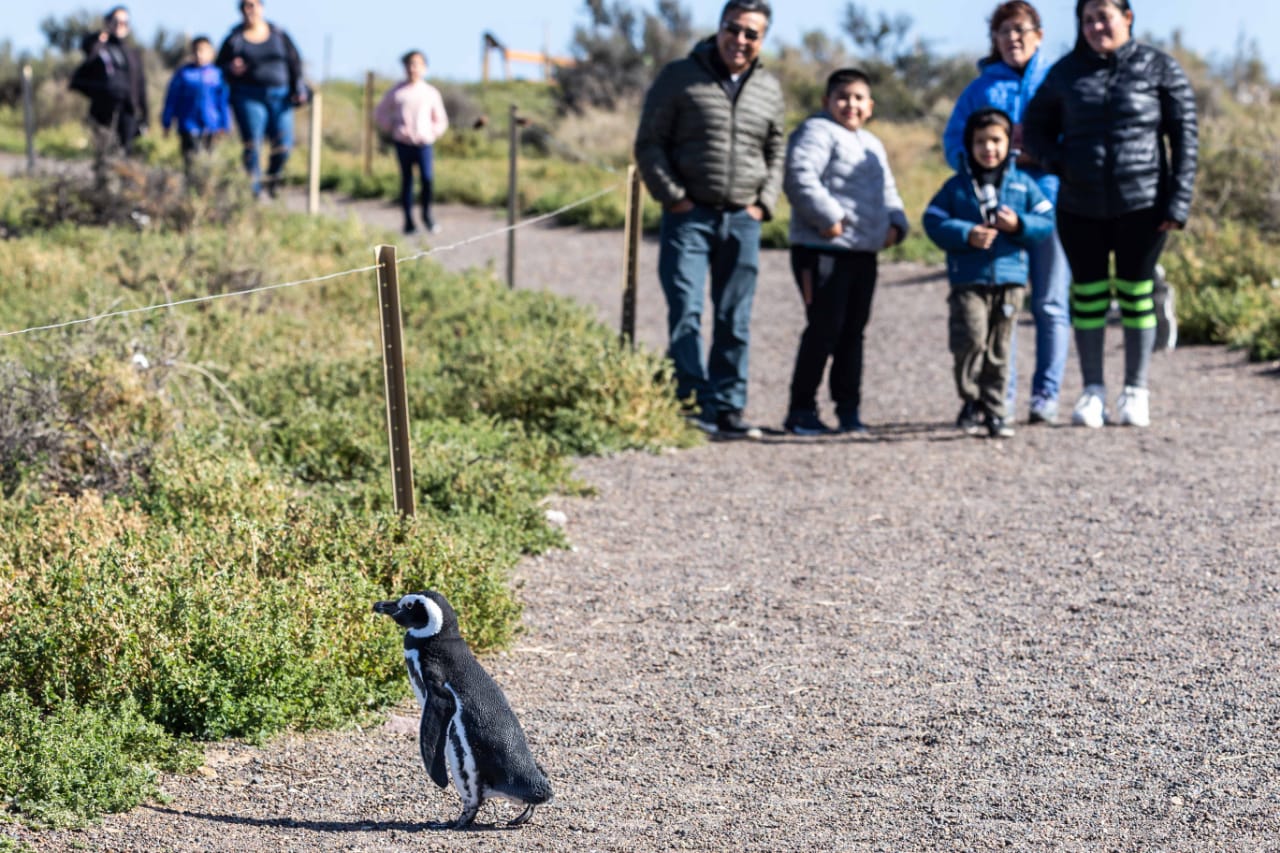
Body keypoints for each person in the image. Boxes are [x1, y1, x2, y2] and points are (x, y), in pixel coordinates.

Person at [1023, 0, 1197, 428]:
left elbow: (1185, 139)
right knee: (1088, 296)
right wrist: (1057, 161)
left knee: (1137, 293)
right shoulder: (1064, 74)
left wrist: (1178, 201)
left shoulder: (1160, 68)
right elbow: (1035, 128)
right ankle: (1092, 392)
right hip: (1079, 205)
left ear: (1127, 18)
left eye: (1105, 16)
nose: (1097, 26)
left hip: (1144, 203)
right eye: (1088, 19)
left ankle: (1135, 391)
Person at [633, 0, 785, 440]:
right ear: (719, 29)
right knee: (686, 311)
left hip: (743, 219)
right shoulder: (679, 77)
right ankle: (690, 403)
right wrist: (676, 199)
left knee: (734, 318)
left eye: (750, 34)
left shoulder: (769, 89)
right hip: (689, 219)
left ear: (762, 39)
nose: (740, 40)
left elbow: (776, 148)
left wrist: (763, 203)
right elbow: (649, 145)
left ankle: (728, 408)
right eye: (732, 29)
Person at [942, 1, 1070, 425]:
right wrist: (986, 167)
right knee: (1000, 304)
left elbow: (1076, 140)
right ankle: (1001, 398)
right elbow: (953, 144)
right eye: (1003, 32)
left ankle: (1046, 394)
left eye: (1021, 29)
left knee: (1049, 301)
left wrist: (1041, 155)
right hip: (994, 208)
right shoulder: (980, 89)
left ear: (1039, 33)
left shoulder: (1060, 80)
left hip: (1047, 202)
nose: (1013, 38)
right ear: (993, 40)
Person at [781, 68, 908, 436]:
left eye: (858, 98)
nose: (850, 104)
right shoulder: (816, 132)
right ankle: (801, 409)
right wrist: (829, 216)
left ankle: (848, 410)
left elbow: (888, 190)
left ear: (870, 106)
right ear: (826, 102)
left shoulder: (872, 144)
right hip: (822, 249)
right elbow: (799, 175)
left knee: (853, 332)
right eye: (842, 97)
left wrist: (897, 224)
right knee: (823, 329)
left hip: (862, 253)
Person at [924, 108, 1055, 439]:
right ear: (969, 144)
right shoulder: (956, 188)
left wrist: (1019, 225)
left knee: (999, 349)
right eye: (980, 141)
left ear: (1009, 142)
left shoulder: (1023, 185)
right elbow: (933, 220)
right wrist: (967, 233)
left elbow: (1046, 220)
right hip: (968, 278)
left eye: (996, 140)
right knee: (970, 340)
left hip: (1010, 281)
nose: (989, 148)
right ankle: (971, 400)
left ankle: (996, 411)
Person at [216, 0, 309, 197]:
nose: (249, 10)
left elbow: (295, 61)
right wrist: (230, 68)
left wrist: (298, 87)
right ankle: (254, 191)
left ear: (262, 7)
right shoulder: (234, 38)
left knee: (284, 145)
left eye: (253, 5)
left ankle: (273, 178)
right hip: (248, 96)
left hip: (280, 96)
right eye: (245, 6)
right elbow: (219, 68)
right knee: (253, 144)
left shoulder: (279, 34)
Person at [374, 50, 449, 235]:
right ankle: (408, 222)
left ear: (424, 67)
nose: (412, 68)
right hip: (403, 143)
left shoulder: (430, 92)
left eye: (416, 64)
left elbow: (441, 120)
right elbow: (379, 113)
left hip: (424, 143)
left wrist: (432, 133)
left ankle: (427, 216)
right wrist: (392, 127)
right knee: (407, 181)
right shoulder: (397, 92)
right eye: (409, 64)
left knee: (427, 180)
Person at [69, 6, 148, 156]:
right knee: (104, 152)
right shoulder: (100, 48)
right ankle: (103, 179)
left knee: (125, 153)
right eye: (116, 21)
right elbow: (87, 50)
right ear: (108, 22)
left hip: (127, 111)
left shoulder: (133, 54)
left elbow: (141, 86)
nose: (120, 25)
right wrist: (101, 37)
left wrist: (145, 116)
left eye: (125, 23)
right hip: (102, 111)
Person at [161, 36, 232, 176]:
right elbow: (172, 99)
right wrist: (167, 121)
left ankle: (206, 188)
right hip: (188, 124)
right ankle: (191, 187)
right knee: (191, 159)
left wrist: (225, 124)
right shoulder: (183, 74)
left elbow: (222, 101)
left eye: (203, 51)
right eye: (196, 51)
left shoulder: (216, 75)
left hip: (211, 124)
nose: (199, 54)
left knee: (209, 159)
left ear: (211, 53)